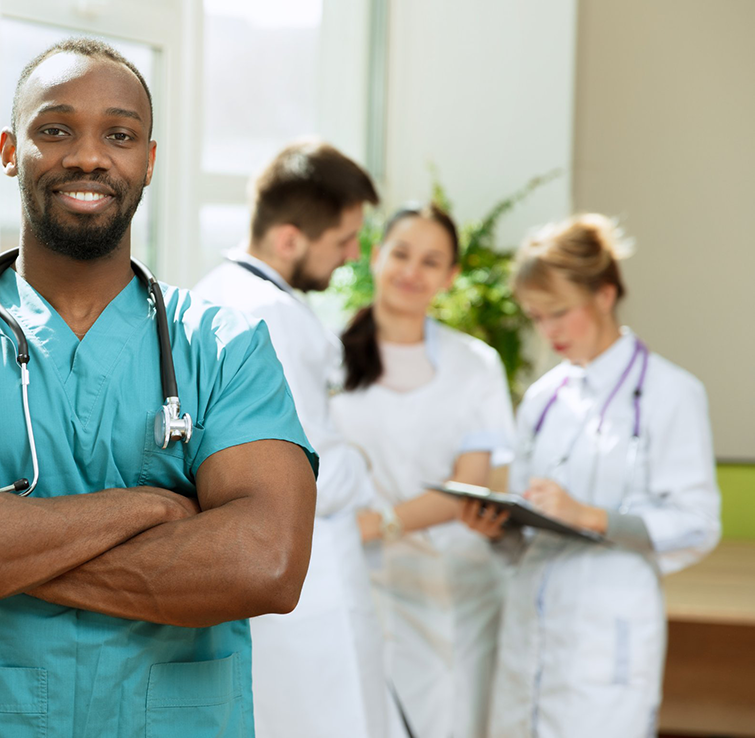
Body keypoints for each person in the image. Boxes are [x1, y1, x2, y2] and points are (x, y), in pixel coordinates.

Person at [0, 38, 319, 737]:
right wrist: (143, 509)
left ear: (148, 161)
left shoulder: (223, 345)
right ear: (9, 150)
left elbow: (265, 564)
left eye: (118, 135)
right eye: (55, 129)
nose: (88, 156)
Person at [461, 214, 721, 737]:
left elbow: (696, 523)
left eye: (558, 313)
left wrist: (590, 516)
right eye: (536, 317)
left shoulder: (671, 393)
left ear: (605, 294)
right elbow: (532, 529)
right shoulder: (543, 397)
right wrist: (500, 531)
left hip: (608, 634)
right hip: (529, 626)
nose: (548, 331)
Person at [194, 140, 400, 737]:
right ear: (289, 239)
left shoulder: (217, 293)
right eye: (343, 241)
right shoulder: (271, 314)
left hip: (262, 578)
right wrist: (359, 463)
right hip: (312, 591)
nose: (354, 256)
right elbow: (310, 472)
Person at [328, 204, 515, 738]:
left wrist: (378, 523)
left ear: (450, 277)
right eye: (401, 254)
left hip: (454, 590)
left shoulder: (474, 364)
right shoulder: (328, 357)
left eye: (431, 262)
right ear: (375, 256)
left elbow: (471, 485)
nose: (412, 271)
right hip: (358, 581)